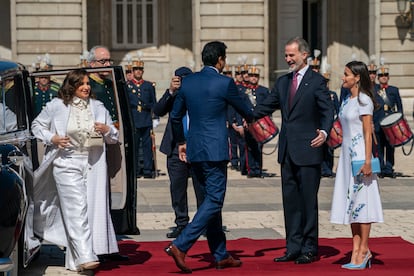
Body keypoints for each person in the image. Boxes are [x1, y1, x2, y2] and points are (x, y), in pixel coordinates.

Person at [164, 41, 254, 273]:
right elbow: (245, 109)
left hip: (194, 149)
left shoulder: (188, 82)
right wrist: (256, 116)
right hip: (214, 151)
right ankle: (181, 244)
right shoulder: (224, 83)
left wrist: (181, 142)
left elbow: (175, 117)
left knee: (207, 202)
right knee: (215, 200)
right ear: (220, 59)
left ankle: (221, 254)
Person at [253, 37, 333, 264]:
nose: (287, 59)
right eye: (286, 55)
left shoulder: (317, 81)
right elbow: (266, 106)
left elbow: (328, 111)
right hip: (287, 151)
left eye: (291, 55)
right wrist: (243, 113)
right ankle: (292, 247)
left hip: (309, 149)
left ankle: (309, 248)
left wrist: (325, 133)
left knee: (308, 201)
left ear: (304, 55)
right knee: (290, 202)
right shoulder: (283, 82)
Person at [31, 69, 121, 271]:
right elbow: (36, 125)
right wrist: (52, 138)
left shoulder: (98, 107)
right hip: (65, 163)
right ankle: (86, 255)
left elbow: (113, 137)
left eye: (88, 83)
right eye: (82, 84)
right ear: (71, 86)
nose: (87, 87)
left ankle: (74, 261)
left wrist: (107, 130)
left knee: (87, 210)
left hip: (92, 165)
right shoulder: (56, 106)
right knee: (76, 208)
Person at [330, 61, 384, 270]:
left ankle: (364, 249)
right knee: (352, 204)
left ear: (357, 77)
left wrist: (368, 160)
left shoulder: (364, 100)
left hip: (360, 157)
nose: (343, 78)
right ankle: (355, 250)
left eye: (346, 74)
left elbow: (368, 132)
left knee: (363, 202)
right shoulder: (347, 100)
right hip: (345, 156)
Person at [153, 67, 203, 239]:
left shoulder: (199, 93)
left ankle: (202, 223)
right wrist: (171, 91)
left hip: (197, 146)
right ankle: (181, 223)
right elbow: (158, 110)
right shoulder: (174, 95)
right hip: (175, 147)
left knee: (201, 188)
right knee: (177, 188)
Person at [126, 59, 157, 178]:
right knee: (134, 147)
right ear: (133, 71)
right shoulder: (128, 86)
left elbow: (153, 102)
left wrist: (154, 116)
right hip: (134, 120)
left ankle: (148, 170)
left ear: (142, 71)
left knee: (147, 147)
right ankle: (135, 170)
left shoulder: (148, 85)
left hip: (145, 119)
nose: (138, 72)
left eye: (140, 69)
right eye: (135, 70)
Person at [375, 66, 403, 178]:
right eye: (381, 76)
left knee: (390, 147)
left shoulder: (394, 90)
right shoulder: (374, 90)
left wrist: (400, 121)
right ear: (378, 78)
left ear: (388, 77)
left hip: (390, 124)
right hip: (378, 122)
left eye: (385, 76)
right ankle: (381, 168)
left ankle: (389, 168)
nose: (383, 78)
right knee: (379, 147)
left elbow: (399, 107)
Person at [244, 66, 270, 177]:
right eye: (252, 76)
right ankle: (251, 169)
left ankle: (258, 169)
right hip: (248, 123)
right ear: (248, 77)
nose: (254, 78)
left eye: (256, 76)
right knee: (249, 147)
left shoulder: (263, 91)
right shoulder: (244, 91)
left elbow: (268, 107)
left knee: (259, 147)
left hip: (260, 123)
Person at [87, 45, 119, 125]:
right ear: (92, 64)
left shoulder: (111, 83)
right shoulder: (87, 84)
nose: (108, 65)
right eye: (103, 61)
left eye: (109, 61)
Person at [321, 72, 340, 177]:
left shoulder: (333, 95)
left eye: (327, 83)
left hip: (331, 126)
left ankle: (328, 169)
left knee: (330, 149)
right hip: (319, 125)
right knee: (320, 149)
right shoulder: (317, 93)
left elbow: (338, 110)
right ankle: (321, 169)